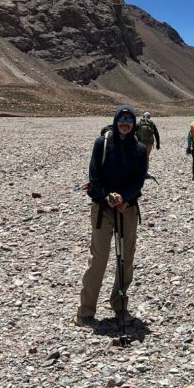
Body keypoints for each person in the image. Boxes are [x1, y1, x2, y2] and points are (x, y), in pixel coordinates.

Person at [76, 105, 147, 329]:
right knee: (98, 258)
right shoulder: (102, 144)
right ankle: (85, 311)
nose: (125, 123)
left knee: (125, 259)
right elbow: (94, 175)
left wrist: (123, 198)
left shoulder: (140, 148)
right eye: (121, 119)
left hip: (127, 208)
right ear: (115, 121)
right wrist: (109, 198)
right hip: (102, 208)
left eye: (129, 119)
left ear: (133, 123)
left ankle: (120, 306)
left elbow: (139, 180)